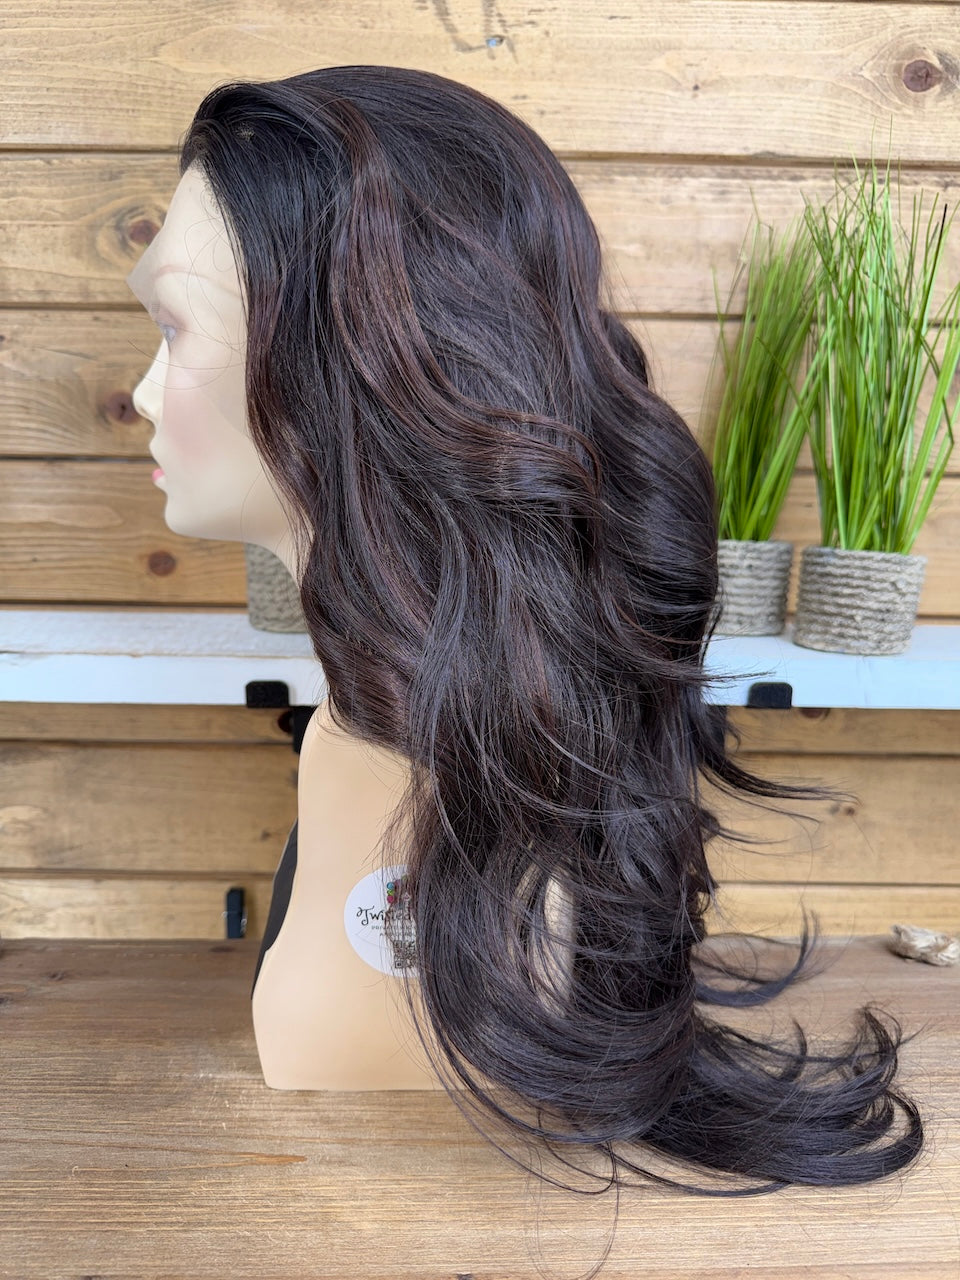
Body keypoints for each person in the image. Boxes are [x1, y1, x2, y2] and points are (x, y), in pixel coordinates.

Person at [126, 64, 924, 1197]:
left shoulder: (387, 754)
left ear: (350, 366)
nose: (143, 392)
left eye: (177, 328)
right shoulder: (396, 719)